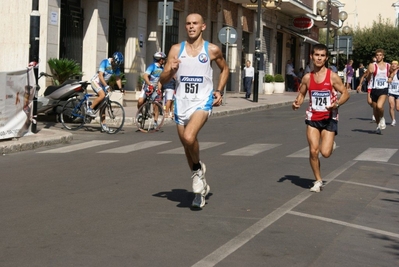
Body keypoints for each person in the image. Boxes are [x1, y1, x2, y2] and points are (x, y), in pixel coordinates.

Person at [159, 13, 229, 208]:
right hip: (182, 102)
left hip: (202, 101)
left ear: (203, 26)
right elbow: (162, 80)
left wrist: (219, 90)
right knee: (187, 147)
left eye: (195, 23)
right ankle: (200, 190)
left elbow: (225, 69)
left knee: (190, 137)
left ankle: (197, 171)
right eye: (188, 24)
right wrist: (170, 71)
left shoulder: (212, 50)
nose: (191, 27)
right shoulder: (175, 49)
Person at [292, 44, 349, 193]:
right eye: (317, 55)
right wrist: (296, 102)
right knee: (313, 151)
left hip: (329, 117)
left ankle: (330, 144)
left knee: (325, 153)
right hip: (313, 117)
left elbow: (345, 93)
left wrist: (336, 103)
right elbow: (302, 94)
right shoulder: (307, 78)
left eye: (322, 55)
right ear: (312, 56)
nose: (319, 58)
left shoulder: (332, 76)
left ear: (326, 58)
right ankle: (318, 180)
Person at [88, 52, 124, 132]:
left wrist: (121, 88)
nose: (115, 66)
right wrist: (106, 86)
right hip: (96, 81)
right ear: (113, 60)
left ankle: (103, 125)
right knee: (102, 95)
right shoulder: (105, 62)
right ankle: (90, 109)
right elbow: (100, 75)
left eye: (117, 65)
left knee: (103, 106)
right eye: (115, 64)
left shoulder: (116, 66)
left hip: (103, 85)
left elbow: (117, 78)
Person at [367, 49, 390, 134]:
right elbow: (368, 78)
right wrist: (370, 73)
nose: (378, 56)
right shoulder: (372, 65)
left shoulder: (388, 65)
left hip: (383, 89)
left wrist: (390, 78)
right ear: (375, 56)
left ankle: (382, 117)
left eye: (380, 55)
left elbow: (391, 73)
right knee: (375, 109)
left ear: (383, 56)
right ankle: (378, 125)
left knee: (380, 106)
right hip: (374, 89)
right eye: (377, 55)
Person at [388, 60, 399, 126]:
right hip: (391, 91)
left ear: (397, 66)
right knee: (391, 106)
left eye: (395, 64)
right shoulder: (389, 72)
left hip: (398, 92)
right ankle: (393, 120)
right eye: (392, 64)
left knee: (397, 108)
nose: (393, 65)